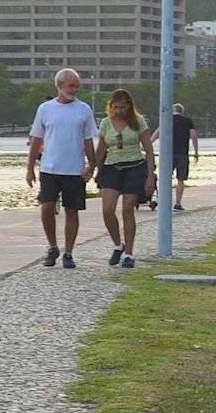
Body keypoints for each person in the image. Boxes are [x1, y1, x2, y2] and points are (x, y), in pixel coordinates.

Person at [27, 69, 98, 269]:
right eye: (70, 86)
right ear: (59, 85)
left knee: (72, 210)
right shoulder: (45, 109)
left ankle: (69, 251)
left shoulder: (83, 109)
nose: (74, 90)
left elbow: (88, 141)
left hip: (74, 169)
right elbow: (36, 140)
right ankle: (52, 246)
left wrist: (91, 165)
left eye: (76, 86)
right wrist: (30, 167)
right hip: (50, 167)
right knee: (47, 206)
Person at [94, 88, 156, 269]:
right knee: (107, 210)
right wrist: (91, 167)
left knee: (127, 210)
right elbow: (100, 150)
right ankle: (117, 244)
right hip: (112, 167)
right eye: (115, 108)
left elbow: (148, 149)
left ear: (128, 106)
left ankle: (129, 253)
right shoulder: (106, 123)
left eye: (122, 108)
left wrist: (150, 175)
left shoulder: (138, 122)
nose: (118, 111)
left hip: (134, 167)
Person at [169, 102, 200, 211]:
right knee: (180, 179)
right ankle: (177, 203)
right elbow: (194, 136)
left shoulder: (167, 120)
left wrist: (149, 143)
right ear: (182, 111)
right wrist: (196, 151)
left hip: (168, 154)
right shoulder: (187, 121)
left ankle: (165, 202)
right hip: (182, 153)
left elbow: (158, 132)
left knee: (166, 179)